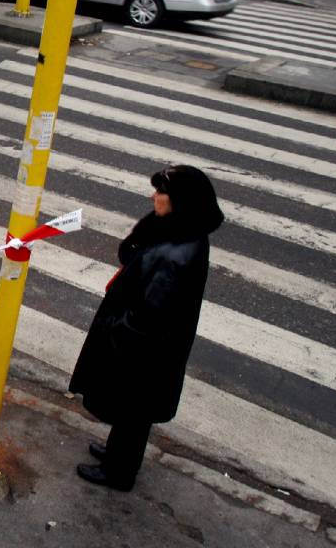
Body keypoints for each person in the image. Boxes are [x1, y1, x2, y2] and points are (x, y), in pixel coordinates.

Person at [69, 165, 224, 491]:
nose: (154, 197)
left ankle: (118, 472)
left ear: (179, 200)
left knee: (133, 412)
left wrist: (116, 331)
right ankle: (116, 454)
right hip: (155, 350)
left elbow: (148, 316)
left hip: (144, 352)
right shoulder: (182, 231)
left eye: (162, 193)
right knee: (133, 413)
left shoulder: (176, 256)